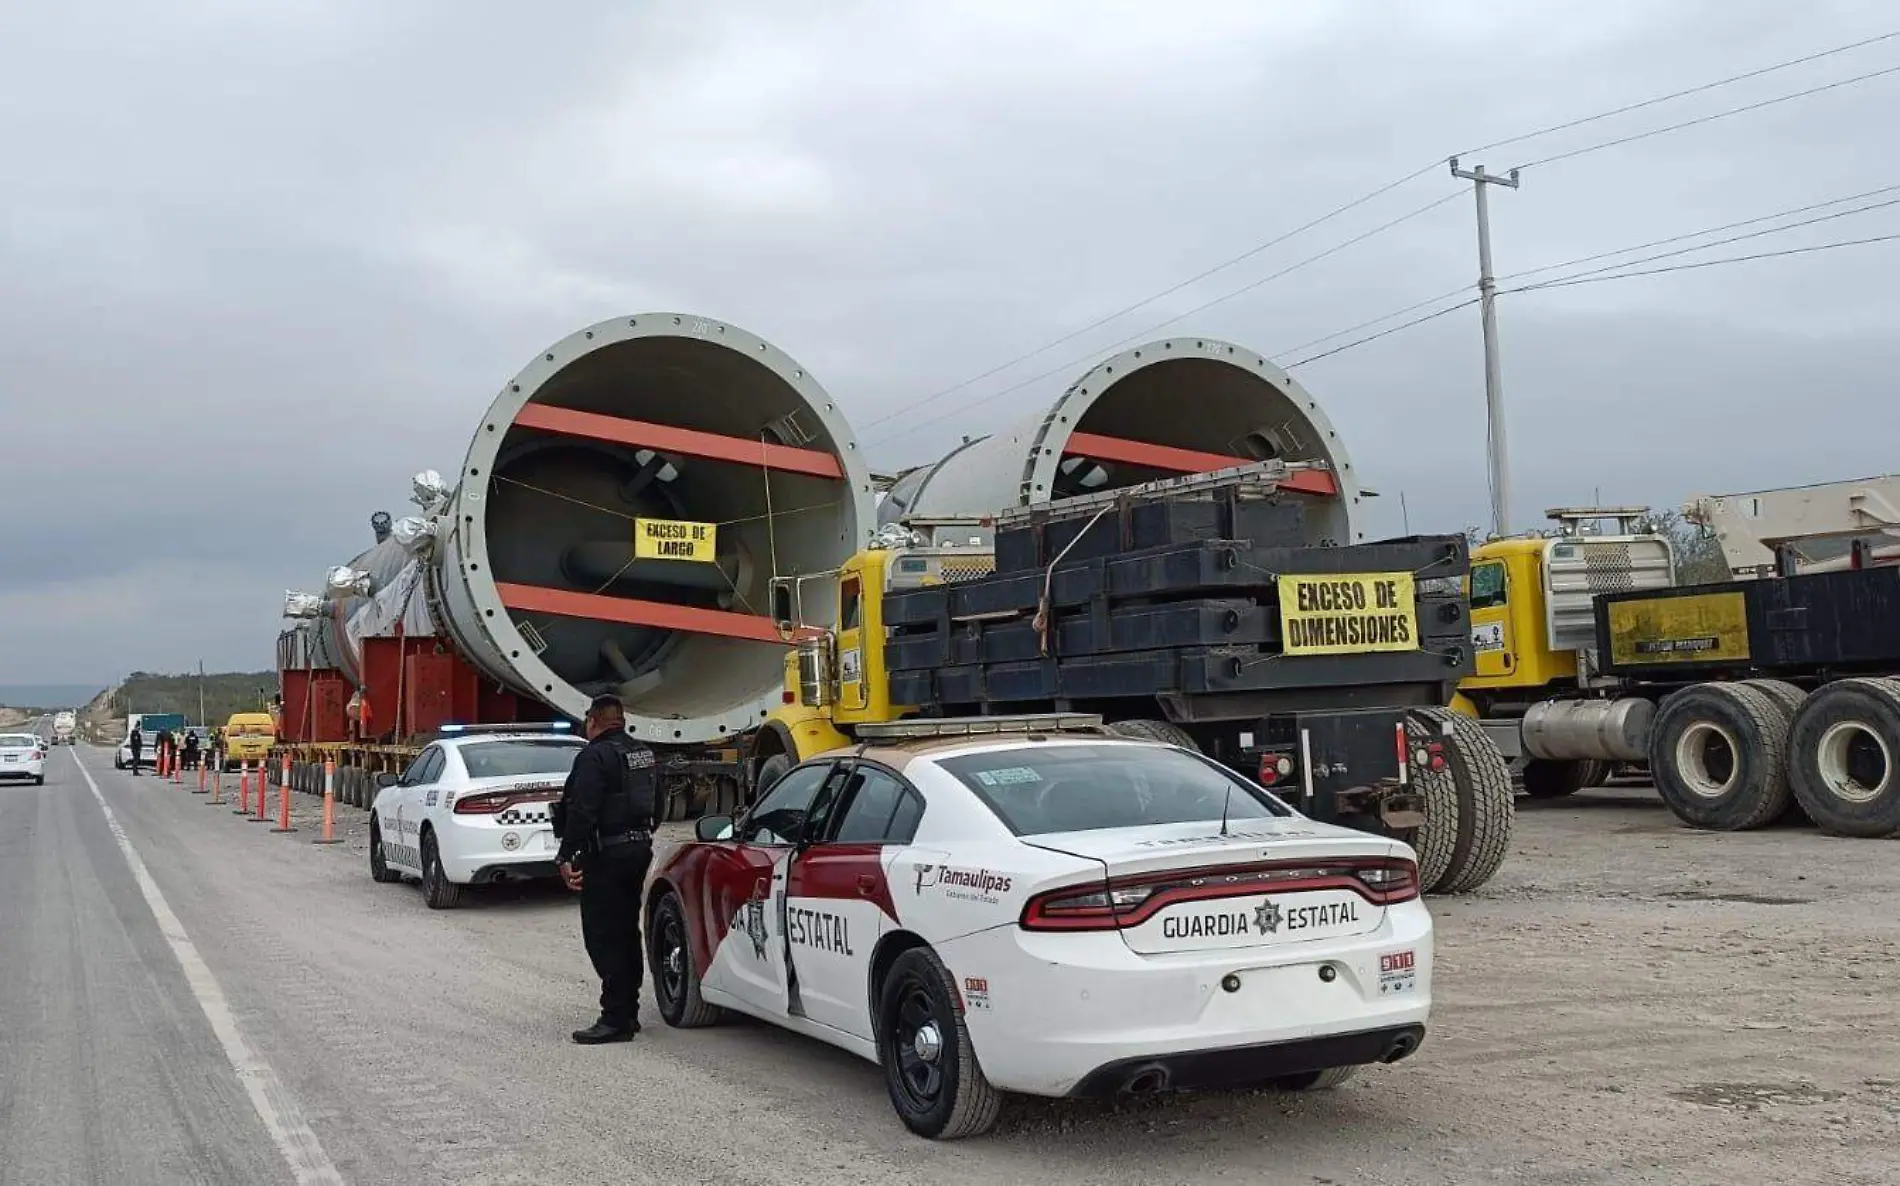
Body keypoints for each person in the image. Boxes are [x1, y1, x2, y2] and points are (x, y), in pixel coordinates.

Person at [555, 694, 660, 1045]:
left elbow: (582, 809)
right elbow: (657, 805)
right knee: (627, 931)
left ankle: (615, 1018)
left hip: (607, 855)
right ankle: (627, 1011)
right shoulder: (642, 753)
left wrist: (566, 855)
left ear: (594, 721)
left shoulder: (593, 756)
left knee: (603, 936)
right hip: (638, 849)